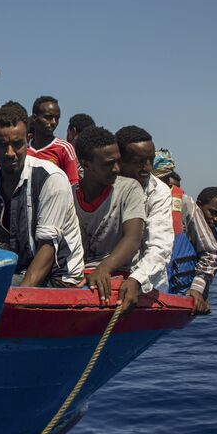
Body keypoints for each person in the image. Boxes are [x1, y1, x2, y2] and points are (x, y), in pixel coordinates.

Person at [0, 106, 84, 287]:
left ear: (27, 141)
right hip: (20, 270)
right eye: (2, 144)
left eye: (17, 144)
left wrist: (20, 296)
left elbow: (47, 248)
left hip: (59, 275)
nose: (10, 153)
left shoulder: (51, 179)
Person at [73, 126, 146, 306]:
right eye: (108, 163)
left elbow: (133, 238)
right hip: (78, 275)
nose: (116, 168)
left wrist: (103, 268)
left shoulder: (129, 189)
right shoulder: (69, 195)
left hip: (118, 273)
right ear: (86, 164)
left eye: (118, 161)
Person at [115, 126, 173, 312]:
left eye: (151, 161)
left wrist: (136, 280)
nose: (148, 168)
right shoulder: (104, 184)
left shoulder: (159, 192)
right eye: (140, 162)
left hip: (145, 285)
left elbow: (159, 247)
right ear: (120, 161)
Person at [28, 96, 80, 186]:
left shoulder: (64, 149)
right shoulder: (24, 149)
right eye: (48, 117)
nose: (53, 122)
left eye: (57, 118)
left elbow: (73, 185)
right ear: (34, 118)